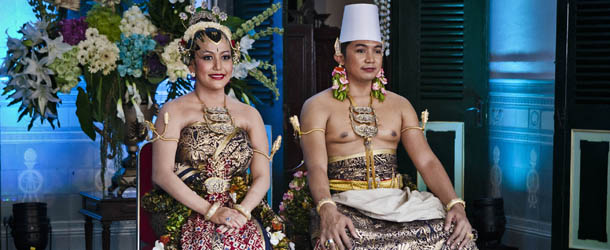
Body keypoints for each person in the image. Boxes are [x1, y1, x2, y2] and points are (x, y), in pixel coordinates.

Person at [299, 4, 478, 250]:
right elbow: (316, 166)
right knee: (342, 239)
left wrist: (455, 204)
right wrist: (326, 209)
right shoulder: (317, 106)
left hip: (397, 203)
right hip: (344, 203)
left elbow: (426, 161)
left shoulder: (400, 105)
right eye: (360, 50)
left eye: (377, 51)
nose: (371, 59)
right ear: (340, 55)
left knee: (454, 235)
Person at [143, 9, 273, 250]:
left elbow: (263, 176)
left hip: (238, 209)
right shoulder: (174, 111)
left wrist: (242, 212)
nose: (218, 66)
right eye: (207, 57)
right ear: (191, 64)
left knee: (243, 238)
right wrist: (211, 211)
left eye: (225, 57)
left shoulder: (249, 114)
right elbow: (161, 174)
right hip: (187, 208)